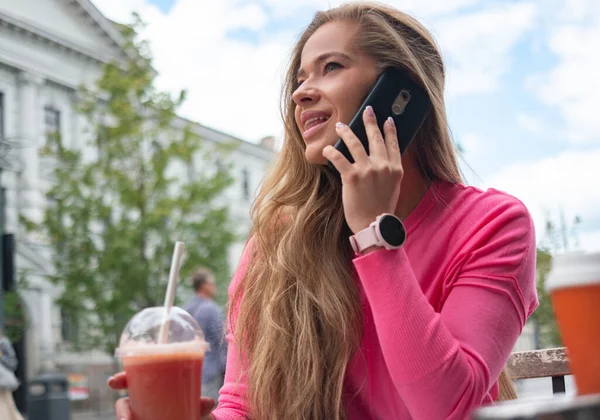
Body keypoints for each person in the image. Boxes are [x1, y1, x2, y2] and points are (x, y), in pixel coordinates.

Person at [110, 2, 538, 419]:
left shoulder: (493, 225)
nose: (300, 92)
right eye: (299, 78)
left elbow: (449, 409)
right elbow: (242, 405)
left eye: (331, 67)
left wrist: (375, 235)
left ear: (399, 94)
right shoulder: (276, 242)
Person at [183, 268, 227, 401]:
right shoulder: (211, 308)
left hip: (190, 373)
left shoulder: (186, 309)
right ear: (204, 285)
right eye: (212, 283)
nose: (214, 286)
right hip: (210, 372)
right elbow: (223, 340)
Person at [0, 330, 24, 420]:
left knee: (8, 409)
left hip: (3, 384)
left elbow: (13, 363)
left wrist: (1, 357)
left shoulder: (3, 342)